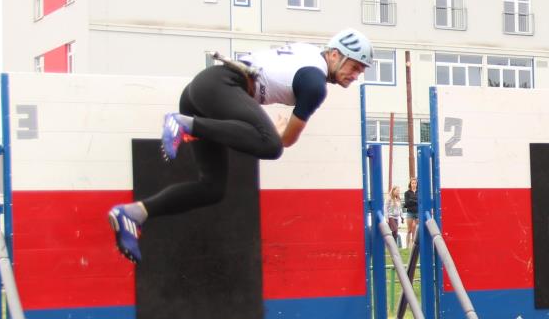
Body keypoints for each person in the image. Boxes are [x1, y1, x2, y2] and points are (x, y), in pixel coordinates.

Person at [107, 30, 372, 263]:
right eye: (355, 67)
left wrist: (271, 131)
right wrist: (276, 132)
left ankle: (134, 213)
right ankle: (185, 125)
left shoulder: (310, 54)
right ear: (335, 55)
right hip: (220, 86)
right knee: (270, 145)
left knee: (211, 188)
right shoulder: (315, 84)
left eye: (361, 71)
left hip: (201, 92)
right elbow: (285, 141)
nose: (356, 75)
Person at [403, 181, 419, 248]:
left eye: (415, 183)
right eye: (412, 183)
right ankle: (407, 246)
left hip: (418, 212)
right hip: (410, 212)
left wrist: (412, 200)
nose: (414, 184)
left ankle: (413, 245)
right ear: (410, 184)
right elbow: (406, 203)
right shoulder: (407, 193)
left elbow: (420, 202)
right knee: (409, 230)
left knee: (415, 228)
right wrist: (415, 201)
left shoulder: (419, 192)